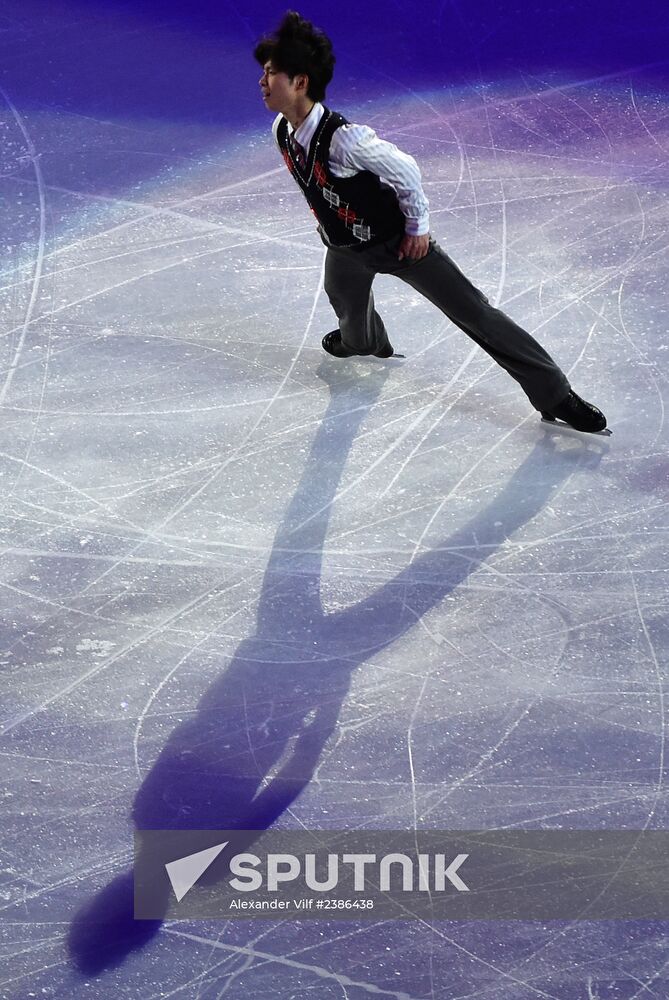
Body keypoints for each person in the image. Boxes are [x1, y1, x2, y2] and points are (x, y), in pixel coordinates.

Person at [253, 11, 607, 433]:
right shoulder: (281, 129)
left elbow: (405, 169)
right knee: (346, 305)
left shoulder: (344, 138)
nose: (261, 81)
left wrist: (417, 229)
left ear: (300, 82)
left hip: (397, 244)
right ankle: (365, 343)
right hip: (344, 248)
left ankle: (555, 395)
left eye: (271, 73)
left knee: (476, 314)